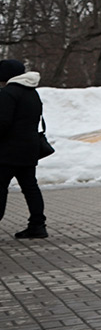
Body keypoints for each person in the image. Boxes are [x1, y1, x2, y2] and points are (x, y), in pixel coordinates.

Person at [0, 58, 48, 239]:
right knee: (30, 187)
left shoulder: (8, 93)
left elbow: (3, 122)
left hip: (8, 151)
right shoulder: (32, 92)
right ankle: (38, 225)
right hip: (30, 149)